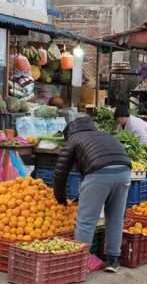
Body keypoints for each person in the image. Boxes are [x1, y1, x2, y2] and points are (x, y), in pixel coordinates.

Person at [54, 116, 131, 273]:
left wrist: (60, 198)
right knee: (115, 217)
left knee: (86, 220)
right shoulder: (104, 135)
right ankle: (113, 260)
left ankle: (79, 263)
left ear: (69, 132)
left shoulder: (73, 139)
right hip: (124, 171)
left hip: (99, 173)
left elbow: (61, 173)